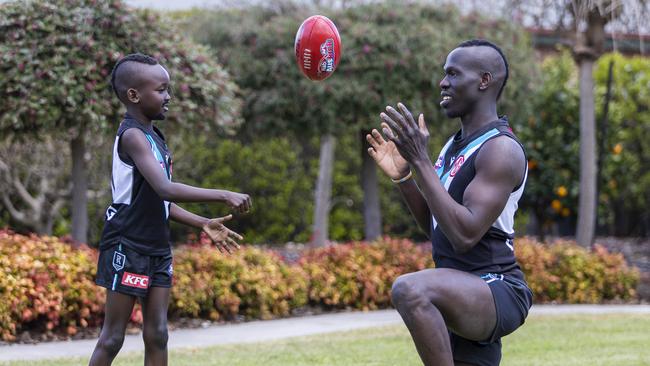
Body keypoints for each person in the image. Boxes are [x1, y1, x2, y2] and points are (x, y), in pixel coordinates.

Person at [366, 39, 532, 366]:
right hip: (459, 287)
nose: (443, 83)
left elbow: (465, 234)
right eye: (445, 74)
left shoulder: (501, 149)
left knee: (410, 290)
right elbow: (438, 226)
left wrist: (421, 161)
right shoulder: (453, 147)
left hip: (494, 288)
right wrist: (405, 177)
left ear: (484, 81)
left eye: (453, 74)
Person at [90, 53, 252, 366]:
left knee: (158, 334)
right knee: (112, 338)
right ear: (134, 95)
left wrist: (203, 222)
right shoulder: (133, 136)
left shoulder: (155, 137)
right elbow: (165, 188)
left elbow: (160, 201)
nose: (169, 97)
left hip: (157, 249)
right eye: (161, 89)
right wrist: (224, 194)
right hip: (127, 245)